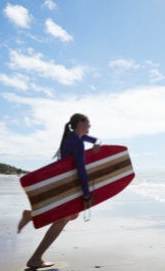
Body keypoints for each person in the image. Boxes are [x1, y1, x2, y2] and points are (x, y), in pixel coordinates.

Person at [17, 113, 100, 269]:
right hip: (68, 186)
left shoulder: (74, 139)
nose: (90, 125)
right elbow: (81, 169)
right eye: (88, 122)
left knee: (72, 215)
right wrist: (87, 193)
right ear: (80, 123)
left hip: (65, 184)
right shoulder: (77, 142)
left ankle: (31, 215)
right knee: (63, 218)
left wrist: (96, 143)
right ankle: (36, 258)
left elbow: (94, 140)